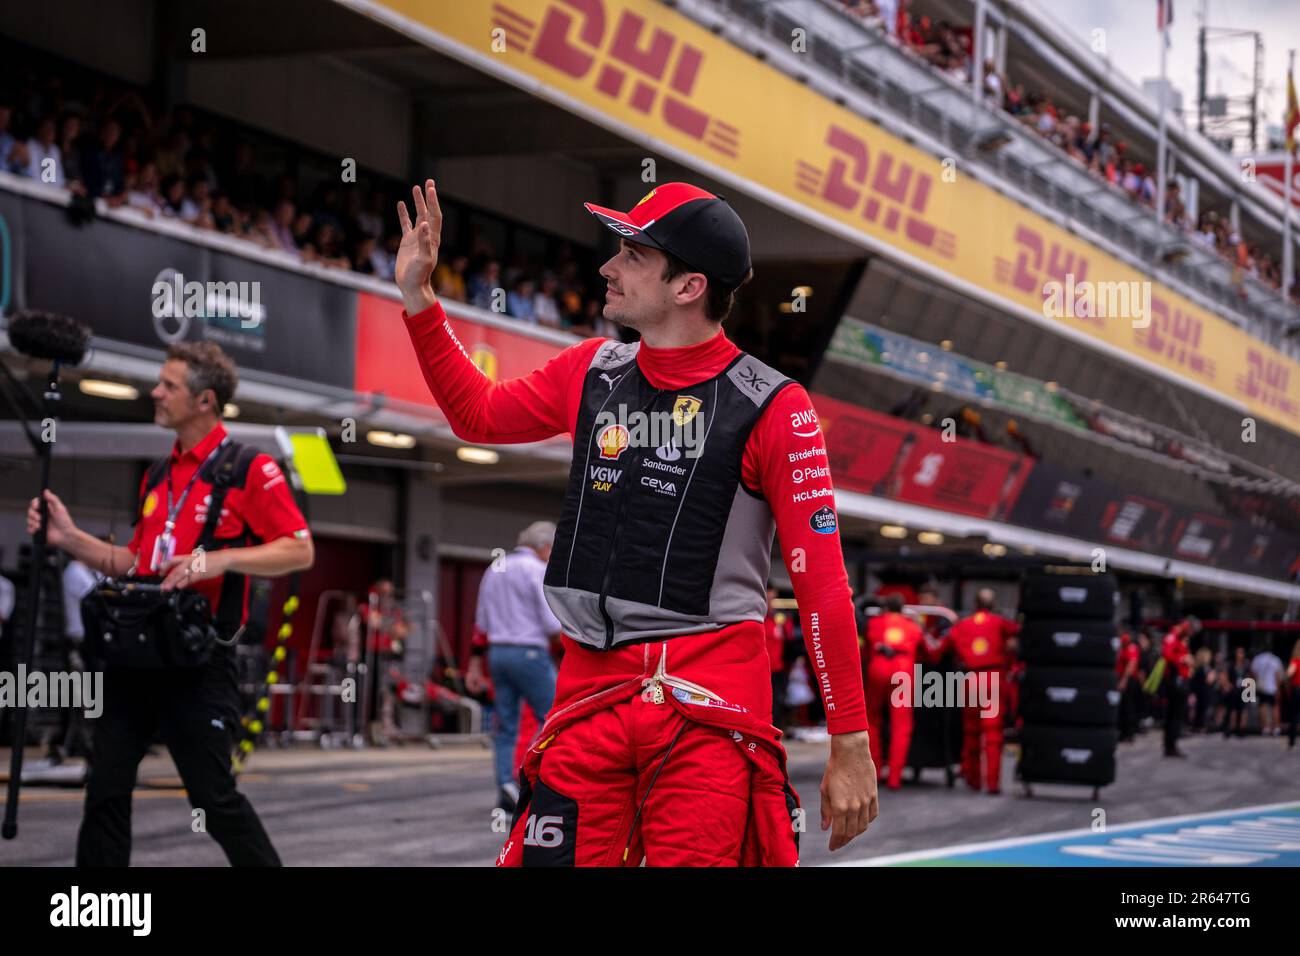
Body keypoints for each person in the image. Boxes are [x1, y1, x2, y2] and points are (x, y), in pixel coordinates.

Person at [396, 179, 874, 865]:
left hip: (710, 712)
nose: (607, 267)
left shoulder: (776, 406)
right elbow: (477, 415)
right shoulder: (591, 370)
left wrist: (849, 740)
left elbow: (822, 584)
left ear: (688, 287)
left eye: (632, 255)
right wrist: (419, 298)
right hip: (588, 700)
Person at [27, 341, 314, 866]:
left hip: (199, 663)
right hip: (136, 655)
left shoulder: (250, 468)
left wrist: (218, 560)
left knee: (213, 799)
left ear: (205, 400)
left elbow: (300, 549)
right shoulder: (158, 474)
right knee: (106, 784)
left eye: (169, 385)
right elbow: (135, 562)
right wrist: (68, 537)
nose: (155, 392)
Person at [465, 521, 562, 811]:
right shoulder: (537, 570)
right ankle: (538, 781)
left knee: (506, 726)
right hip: (529, 652)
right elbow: (551, 623)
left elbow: (481, 622)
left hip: (498, 654)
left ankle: (505, 788)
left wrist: (474, 665)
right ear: (544, 546)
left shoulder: (495, 568)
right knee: (555, 717)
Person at [940, 589, 1017, 794]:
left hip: (971, 679)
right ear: (992, 605)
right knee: (993, 733)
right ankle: (992, 783)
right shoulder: (1001, 623)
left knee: (971, 731)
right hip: (994, 678)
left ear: (975, 604)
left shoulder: (962, 625)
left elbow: (940, 649)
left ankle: (973, 779)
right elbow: (1018, 635)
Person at [862, 593, 932, 790]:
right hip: (903, 671)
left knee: (872, 720)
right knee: (901, 726)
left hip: (878, 668)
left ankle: (875, 773)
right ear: (902, 609)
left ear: (885, 608)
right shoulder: (912, 626)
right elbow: (928, 652)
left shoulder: (874, 622)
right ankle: (895, 777)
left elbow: (865, 648)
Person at [1160, 617, 1197, 757]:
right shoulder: (1172, 636)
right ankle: (1171, 746)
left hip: (1179, 680)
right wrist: (1183, 659)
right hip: (1175, 681)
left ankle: (1171, 744)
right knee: (1175, 714)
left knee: (1175, 714)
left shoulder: (1180, 639)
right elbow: (1167, 654)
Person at [764, 586, 794, 732]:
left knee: (778, 699)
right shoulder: (758, 619)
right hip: (761, 668)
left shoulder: (780, 619)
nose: (771, 602)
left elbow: (790, 638)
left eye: (773, 598)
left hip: (778, 668)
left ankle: (776, 728)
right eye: (768, 598)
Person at [1250, 644, 1285, 737]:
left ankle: (1265, 728)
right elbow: (1278, 675)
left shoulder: (1257, 659)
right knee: (1275, 707)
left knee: (1263, 706)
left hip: (1262, 687)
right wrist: (1278, 688)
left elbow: (1253, 674)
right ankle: (1276, 728)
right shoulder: (1275, 659)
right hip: (1273, 687)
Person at [1116, 630, 1141, 742]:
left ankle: (1129, 733)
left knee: (1128, 706)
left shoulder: (1131, 648)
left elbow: (1131, 664)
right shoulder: (1124, 647)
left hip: (1128, 680)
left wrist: (1124, 680)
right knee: (1123, 707)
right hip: (1123, 678)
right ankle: (1124, 732)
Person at [1284, 641, 1300, 750]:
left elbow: (1288, 674)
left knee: (1294, 716)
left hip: (1297, 689)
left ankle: (1291, 742)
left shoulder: (1295, 661)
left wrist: (1286, 682)